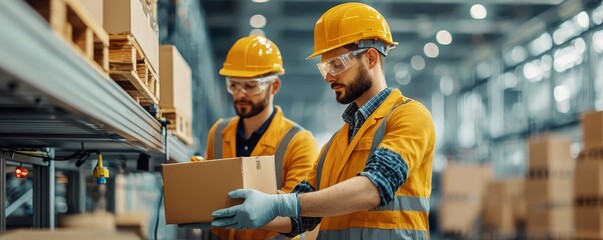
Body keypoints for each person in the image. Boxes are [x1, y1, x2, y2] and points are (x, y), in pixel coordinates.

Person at [211, 2, 436, 240]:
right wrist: (237, 213)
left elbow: (374, 187)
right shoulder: (335, 145)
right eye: (326, 67)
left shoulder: (409, 116)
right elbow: (299, 217)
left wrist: (280, 204)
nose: (329, 76)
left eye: (337, 64)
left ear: (370, 58)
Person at [205, 35, 318, 240]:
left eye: (250, 86)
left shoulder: (299, 142)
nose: (240, 94)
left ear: (274, 86)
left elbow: (299, 214)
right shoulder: (218, 133)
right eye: (234, 85)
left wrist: (251, 216)